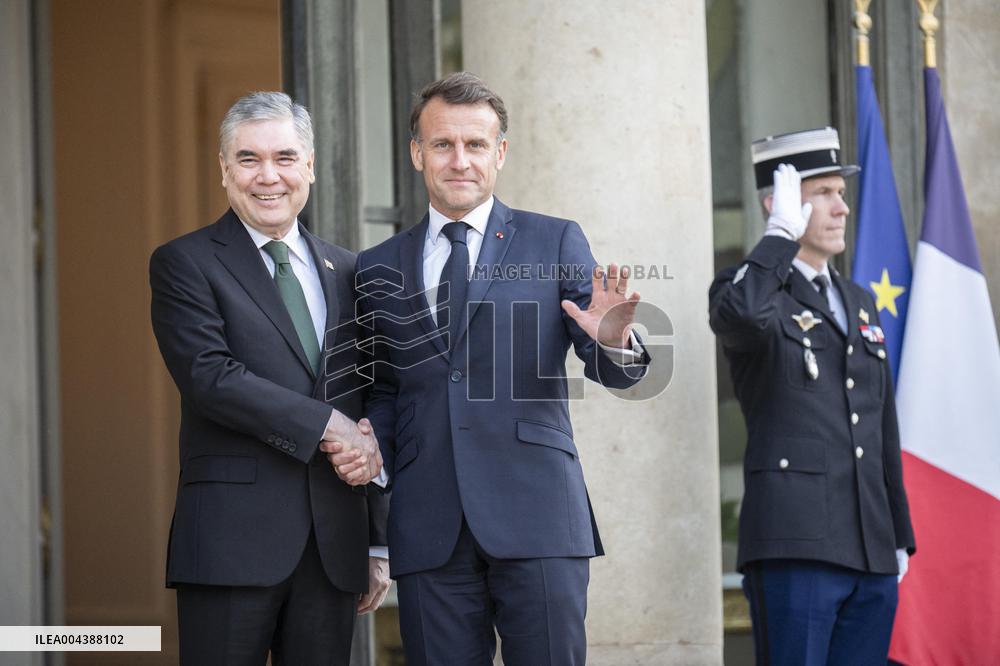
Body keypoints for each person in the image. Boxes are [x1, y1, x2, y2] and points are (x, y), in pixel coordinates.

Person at [327, 72, 649, 664]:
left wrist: (617, 342)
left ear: (499, 153)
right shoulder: (375, 267)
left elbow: (614, 369)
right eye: (444, 144)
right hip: (428, 528)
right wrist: (371, 452)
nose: (460, 160)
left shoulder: (554, 241)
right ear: (417, 153)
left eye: (476, 145)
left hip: (540, 517)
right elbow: (383, 390)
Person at [149, 91, 389, 665]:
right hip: (231, 541)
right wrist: (327, 425)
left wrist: (377, 538)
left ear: (308, 166)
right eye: (249, 159)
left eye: (284, 158)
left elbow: (374, 399)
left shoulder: (352, 270)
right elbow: (210, 377)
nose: (268, 177)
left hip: (334, 546)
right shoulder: (185, 262)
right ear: (225, 170)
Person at [708, 127, 916, 664]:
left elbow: (879, 422)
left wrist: (897, 530)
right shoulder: (747, 288)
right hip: (795, 543)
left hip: (869, 544)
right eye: (823, 193)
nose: (840, 207)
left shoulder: (859, 300)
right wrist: (778, 238)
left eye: (840, 193)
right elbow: (739, 319)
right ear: (779, 205)